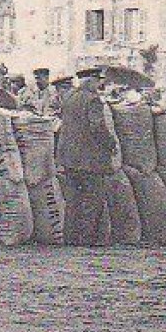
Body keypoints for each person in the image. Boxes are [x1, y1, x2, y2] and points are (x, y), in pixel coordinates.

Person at [57, 66, 116, 246]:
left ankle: (70, 238)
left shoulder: (68, 97)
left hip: (69, 157)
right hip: (90, 158)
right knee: (93, 199)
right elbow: (97, 126)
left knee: (73, 200)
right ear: (90, 80)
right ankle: (87, 239)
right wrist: (110, 143)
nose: (100, 84)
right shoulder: (93, 100)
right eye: (98, 81)